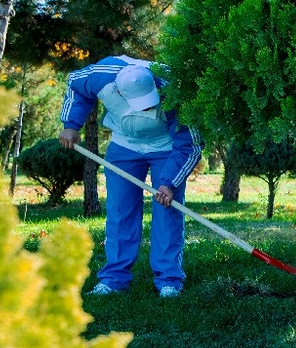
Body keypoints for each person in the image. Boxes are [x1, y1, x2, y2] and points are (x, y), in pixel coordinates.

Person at [59, 55, 203, 298]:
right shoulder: (101, 76)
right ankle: (114, 278)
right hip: (124, 145)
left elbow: (190, 143)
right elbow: (74, 83)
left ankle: (169, 280)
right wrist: (71, 124)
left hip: (166, 147)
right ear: (118, 91)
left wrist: (169, 183)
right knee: (120, 211)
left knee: (168, 210)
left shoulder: (173, 87)